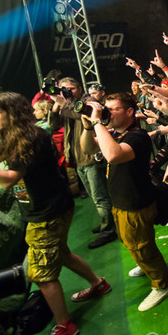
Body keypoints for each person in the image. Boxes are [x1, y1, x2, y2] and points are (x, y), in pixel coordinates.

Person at [0, 92, 110, 335]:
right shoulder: (13, 136)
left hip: (47, 213)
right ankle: (98, 284)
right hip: (49, 209)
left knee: (42, 274)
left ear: (11, 112)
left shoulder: (30, 138)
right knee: (62, 254)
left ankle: (65, 326)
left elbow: (8, 179)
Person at [80, 93, 168, 311]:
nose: (107, 113)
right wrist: (87, 127)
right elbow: (87, 149)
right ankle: (145, 265)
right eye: (106, 108)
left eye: (113, 109)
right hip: (121, 200)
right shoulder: (115, 132)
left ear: (129, 112)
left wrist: (96, 122)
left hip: (136, 203)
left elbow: (112, 155)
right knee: (130, 240)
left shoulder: (138, 136)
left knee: (142, 246)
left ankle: (161, 284)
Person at [49, 77, 116, 249]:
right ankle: (105, 223)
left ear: (79, 88)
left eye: (70, 89)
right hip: (78, 158)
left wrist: (64, 103)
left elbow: (82, 115)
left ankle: (109, 230)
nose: (67, 92)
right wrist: (55, 104)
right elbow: (53, 125)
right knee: (95, 196)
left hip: (91, 157)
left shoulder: (88, 101)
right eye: (63, 89)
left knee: (101, 197)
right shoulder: (67, 104)